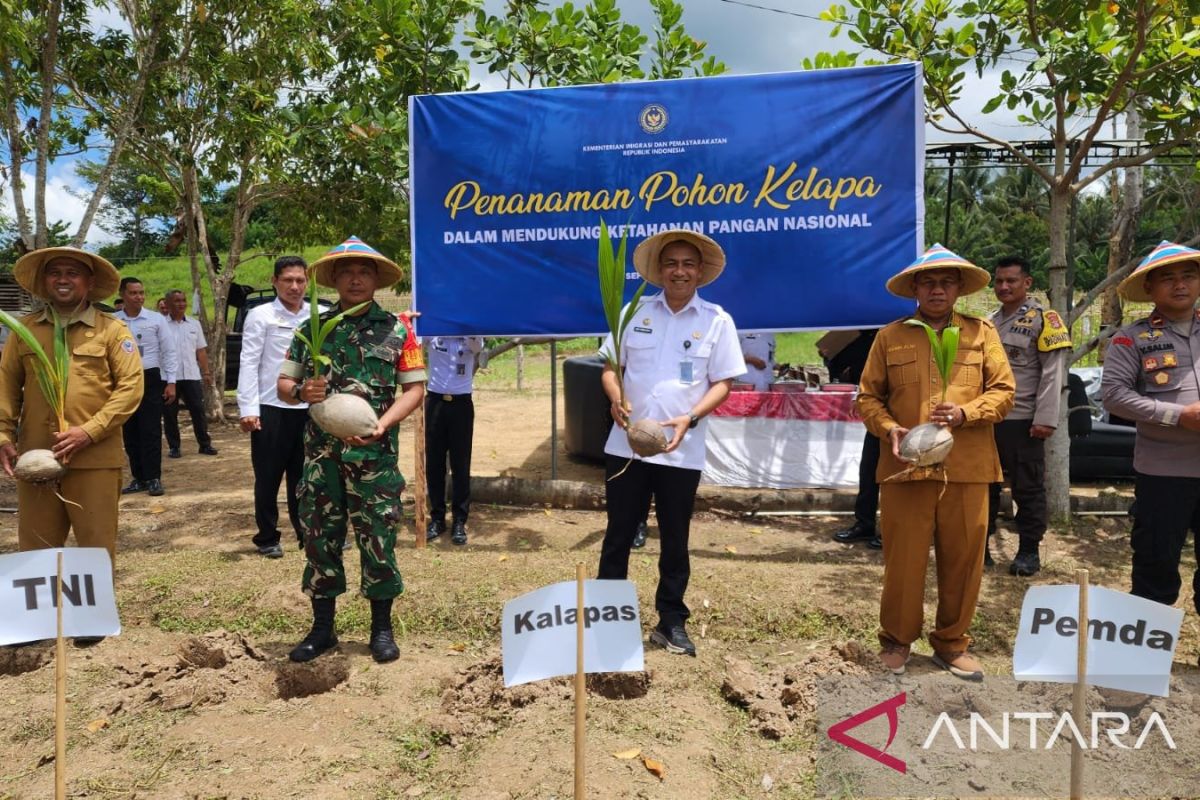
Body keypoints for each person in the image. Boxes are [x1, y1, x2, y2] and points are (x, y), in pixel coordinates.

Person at [857, 245, 1014, 681]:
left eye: (947, 281)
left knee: (964, 561)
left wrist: (967, 413)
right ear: (915, 289)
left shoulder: (982, 333)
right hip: (905, 468)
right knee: (903, 561)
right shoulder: (890, 336)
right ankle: (896, 640)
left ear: (960, 288)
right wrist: (889, 428)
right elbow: (866, 397)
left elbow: (1004, 392)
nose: (938, 289)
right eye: (928, 281)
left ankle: (951, 643)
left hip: (968, 466)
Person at [597, 229, 745, 657]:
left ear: (700, 271)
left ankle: (671, 622)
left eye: (687, 264)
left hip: (682, 451)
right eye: (671, 263)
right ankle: (610, 623)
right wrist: (617, 398)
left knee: (676, 540)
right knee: (618, 535)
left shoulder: (716, 321)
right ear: (659, 271)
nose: (679, 271)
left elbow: (723, 383)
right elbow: (610, 367)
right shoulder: (632, 312)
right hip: (626, 448)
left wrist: (691, 416)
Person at [278, 237, 426, 664]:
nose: (355, 278)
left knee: (378, 540)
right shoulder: (311, 331)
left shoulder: (398, 331)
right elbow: (284, 386)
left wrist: (382, 424)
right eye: (346, 272)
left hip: (375, 463)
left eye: (364, 271)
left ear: (376, 279)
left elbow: (414, 389)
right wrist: (302, 391)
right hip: (322, 461)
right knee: (319, 541)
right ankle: (322, 629)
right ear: (335, 279)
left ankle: (381, 629)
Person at [0, 248, 144, 640]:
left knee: (96, 539)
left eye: (73, 274)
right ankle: (36, 622)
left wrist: (89, 430)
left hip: (94, 456)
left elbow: (130, 389)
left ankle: (90, 621)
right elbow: (7, 385)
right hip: (36, 457)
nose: (63, 279)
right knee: (36, 538)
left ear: (89, 284)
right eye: (55, 273)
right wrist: (3, 434)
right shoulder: (25, 330)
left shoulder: (113, 331)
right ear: (45, 282)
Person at [1102, 241, 1200, 660]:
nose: (1180, 284)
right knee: (1155, 569)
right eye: (1168, 277)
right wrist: (1176, 415)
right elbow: (1114, 396)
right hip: (1164, 473)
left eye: (1188, 275)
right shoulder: (1133, 339)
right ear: (1151, 287)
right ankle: (1140, 664)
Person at [986, 256, 1070, 576]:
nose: (1004, 287)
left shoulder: (1045, 319)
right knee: (984, 486)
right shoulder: (989, 321)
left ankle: (1028, 551)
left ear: (1027, 283)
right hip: (988, 419)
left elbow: (1053, 372)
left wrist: (1046, 418)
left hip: (1024, 420)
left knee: (1028, 488)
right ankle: (980, 547)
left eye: (1011, 280)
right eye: (999, 281)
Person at [237, 256, 311, 559]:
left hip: (308, 409)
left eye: (300, 280)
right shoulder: (260, 315)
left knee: (304, 477)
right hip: (271, 408)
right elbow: (249, 361)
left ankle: (307, 531)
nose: (294, 287)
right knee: (268, 477)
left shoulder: (317, 314)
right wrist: (247, 409)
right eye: (288, 280)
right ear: (275, 281)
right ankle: (267, 537)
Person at [115, 277, 178, 496]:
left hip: (150, 378)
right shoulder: (114, 321)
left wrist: (171, 382)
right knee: (130, 431)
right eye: (133, 293)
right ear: (123, 294)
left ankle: (153, 478)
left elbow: (169, 351)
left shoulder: (155, 319)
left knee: (150, 429)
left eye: (141, 292)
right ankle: (138, 478)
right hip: (123, 379)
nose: (139, 297)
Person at [823, 329, 882, 549]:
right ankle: (865, 523)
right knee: (868, 471)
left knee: (898, 477)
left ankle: (893, 529)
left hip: (908, 413)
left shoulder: (913, 334)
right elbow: (871, 373)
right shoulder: (881, 337)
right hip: (879, 415)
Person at [424, 335, 484, 545]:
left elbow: (477, 346)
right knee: (434, 463)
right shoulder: (433, 334)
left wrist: (465, 326)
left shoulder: (470, 334)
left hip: (461, 405)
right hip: (435, 402)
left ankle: (459, 520)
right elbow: (417, 338)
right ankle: (437, 519)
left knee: (461, 463)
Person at [163, 289, 218, 459]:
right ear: (168, 304)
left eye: (183, 300)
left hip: (192, 376)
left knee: (198, 411)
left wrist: (206, 372)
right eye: (176, 301)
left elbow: (200, 350)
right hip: (169, 378)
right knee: (170, 414)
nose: (181, 304)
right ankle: (174, 447)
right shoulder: (161, 324)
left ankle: (204, 444)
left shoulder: (194, 324)